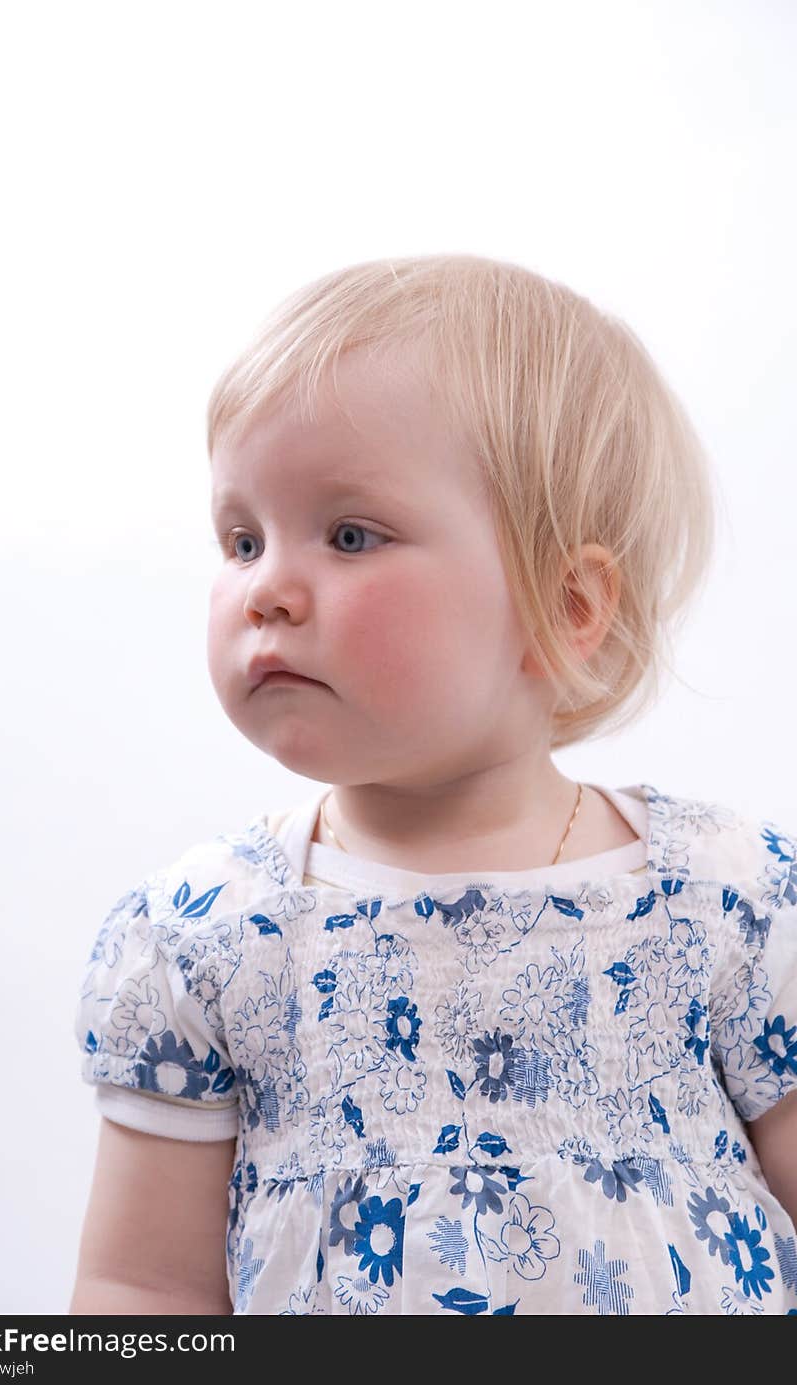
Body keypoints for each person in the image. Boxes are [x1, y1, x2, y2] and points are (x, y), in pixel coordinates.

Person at [69, 254, 797, 1316]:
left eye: (350, 534)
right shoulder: (206, 935)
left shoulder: (724, 899)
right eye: (241, 538)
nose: (265, 586)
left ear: (569, 605)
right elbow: (140, 1286)